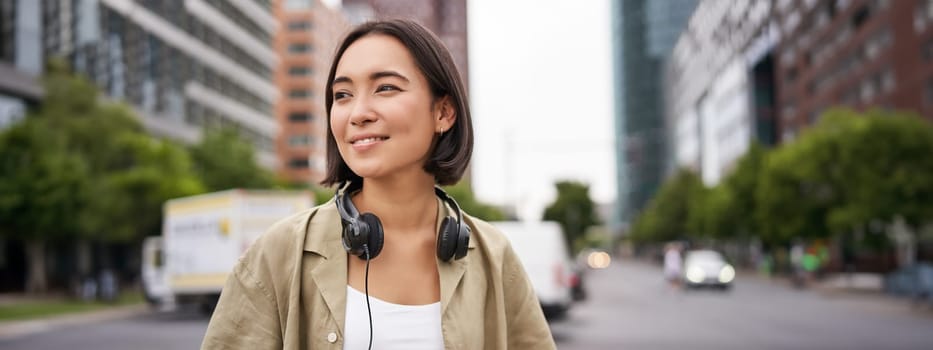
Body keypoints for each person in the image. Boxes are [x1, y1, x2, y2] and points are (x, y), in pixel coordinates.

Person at [201, 19, 555, 349]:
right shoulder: (279, 252)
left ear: (443, 112)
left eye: (385, 88)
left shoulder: (494, 257)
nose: (358, 113)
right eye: (342, 95)